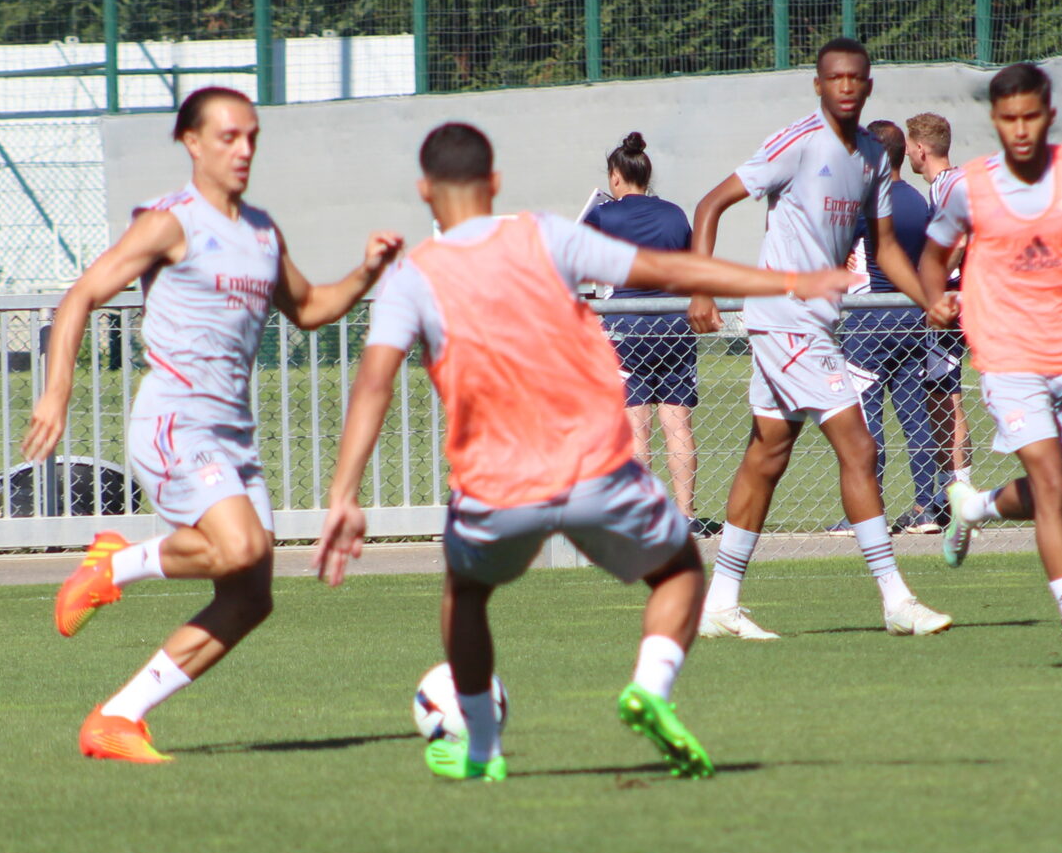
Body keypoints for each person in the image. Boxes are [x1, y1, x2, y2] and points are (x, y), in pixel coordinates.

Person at [314, 123, 863, 781]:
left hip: (495, 486)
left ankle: (482, 749)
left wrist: (343, 494)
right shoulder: (545, 236)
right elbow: (669, 269)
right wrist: (788, 281)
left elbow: (374, 381)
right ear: (495, 183)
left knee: (466, 593)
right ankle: (650, 688)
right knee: (681, 574)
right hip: (596, 468)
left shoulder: (412, 277)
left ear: (424, 190)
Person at [28, 87, 402, 765]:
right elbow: (82, 294)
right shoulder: (170, 223)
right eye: (228, 136)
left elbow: (310, 307)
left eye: (252, 136)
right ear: (191, 143)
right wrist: (56, 393)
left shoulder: (261, 231)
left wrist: (367, 271)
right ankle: (117, 565)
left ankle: (117, 716)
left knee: (251, 596)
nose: (244, 149)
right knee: (240, 548)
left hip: (232, 437)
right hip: (174, 422)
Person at [686, 38, 952, 641]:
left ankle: (719, 603)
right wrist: (701, 288)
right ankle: (896, 598)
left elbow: (886, 247)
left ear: (868, 85)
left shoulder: (871, 158)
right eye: (835, 78)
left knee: (767, 456)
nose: (846, 87)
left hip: (813, 322)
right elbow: (710, 205)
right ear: (819, 85)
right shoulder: (798, 143)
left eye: (856, 78)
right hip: (786, 319)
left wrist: (929, 299)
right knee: (858, 447)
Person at [916, 62, 1062, 673]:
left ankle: (975, 507)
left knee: (1053, 486)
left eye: (1031, 117)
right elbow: (933, 257)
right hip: (1006, 356)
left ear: (1049, 116)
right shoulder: (970, 188)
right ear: (996, 121)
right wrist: (934, 298)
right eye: (1008, 119)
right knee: (1049, 485)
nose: (1020, 130)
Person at [579, 132, 707, 526]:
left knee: (636, 427)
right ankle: (685, 514)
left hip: (627, 326)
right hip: (674, 324)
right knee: (677, 424)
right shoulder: (674, 214)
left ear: (615, 177)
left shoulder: (605, 215)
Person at [837, 118, 959, 533]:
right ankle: (926, 507)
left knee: (866, 420)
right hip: (912, 318)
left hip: (870, 321)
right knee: (915, 416)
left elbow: (836, 247)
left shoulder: (868, 200)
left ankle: (866, 513)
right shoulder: (918, 201)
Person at [905, 111, 973, 513]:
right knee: (943, 393)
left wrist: (931, 286)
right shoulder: (959, 181)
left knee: (943, 395)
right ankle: (954, 492)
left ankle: (957, 493)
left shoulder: (945, 186)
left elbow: (958, 242)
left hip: (953, 302)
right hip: (968, 300)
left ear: (920, 149)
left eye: (909, 148)